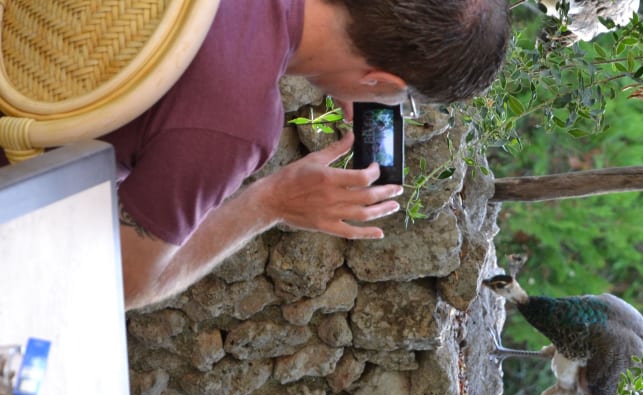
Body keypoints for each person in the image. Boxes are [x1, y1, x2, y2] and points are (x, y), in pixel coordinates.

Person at [109, 0, 510, 309]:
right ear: (380, 79)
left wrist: (351, 67)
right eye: (402, 97)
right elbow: (121, 281)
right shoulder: (236, 124)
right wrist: (270, 203)